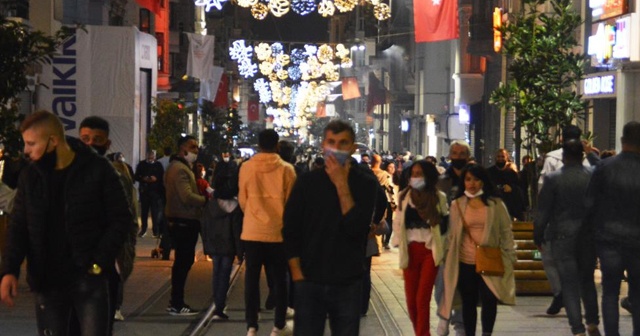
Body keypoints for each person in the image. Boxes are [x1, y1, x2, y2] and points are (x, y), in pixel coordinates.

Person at [0, 110, 132, 335]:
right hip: (48, 280)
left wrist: (98, 262)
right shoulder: (30, 176)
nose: (26, 151)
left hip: (88, 279)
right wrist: (10, 271)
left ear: (52, 141)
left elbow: (121, 218)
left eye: (32, 144)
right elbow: (19, 226)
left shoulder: (98, 169)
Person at [283, 120, 378, 336]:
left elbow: (357, 229)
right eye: (331, 142)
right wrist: (297, 274)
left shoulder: (365, 183)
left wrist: (341, 184)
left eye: (343, 143)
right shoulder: (307, 182)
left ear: (353, 147)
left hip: (348, 280)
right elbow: (290, 229)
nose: (336, 148)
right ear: (323, 145)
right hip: (309, 279)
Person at [439, 164, 517, 336]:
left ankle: (487, 332)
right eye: (468, 180)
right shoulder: (457, 204)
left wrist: (510, 255)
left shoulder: (495, 204)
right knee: (469, 301)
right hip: (465, 261)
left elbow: (506, 231)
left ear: (483, 181)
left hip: (490, 258)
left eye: (476, 179)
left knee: (490, 299)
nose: (472, 183)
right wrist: (446, 256)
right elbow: (452, 234)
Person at [534, 139, 600, 336]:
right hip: (588, 236)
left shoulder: (553, 179)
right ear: (581, 155)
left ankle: (577, 329)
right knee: (587, 281)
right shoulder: (592, 175)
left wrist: (538, 235)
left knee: (569, 284)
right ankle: (592, 323)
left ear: (563, 156)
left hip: (562, 236)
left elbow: (544, 211)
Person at [79, 116, 138, 325]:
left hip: (104, 262)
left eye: (97, 139)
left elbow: (126, 219)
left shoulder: (115, 176)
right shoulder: (67, 174)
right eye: (85, 138)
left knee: (101, 323)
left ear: (107, 143)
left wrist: (116, 257)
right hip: (74, 264)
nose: (90, 144)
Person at [239, 129, 297, 336]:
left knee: (251, 280)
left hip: (253, 231)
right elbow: (292, 204)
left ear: (259, 144)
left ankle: (251, 326)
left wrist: (254, 214)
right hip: (277, 232)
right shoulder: (287, 169)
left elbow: (243, 200)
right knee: (280, 280)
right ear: (277, 146)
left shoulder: (246, 167)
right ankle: (278, 325)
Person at [585, 121, 640, 336]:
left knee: (609, 293)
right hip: (638, 241)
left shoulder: (604, 168)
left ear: (622, 141)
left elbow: (589, 204)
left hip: (609, 240)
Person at [392, 160, 449, 335]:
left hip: (429, 251)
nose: (415, 177)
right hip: (410, 251)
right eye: (413, 174)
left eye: (420, 174)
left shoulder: (438, 197)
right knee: (410, 300)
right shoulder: (403, 196)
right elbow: (398, 222)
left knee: (422, 298)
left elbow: (445, 225)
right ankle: (421, 332)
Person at [164, 135, 207, 315]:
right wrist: (206, 200)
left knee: (184, 261)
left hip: (182, 220)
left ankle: (176, 301)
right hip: (184, 220)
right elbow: (186, 196)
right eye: (193, 147)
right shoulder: (180, 169)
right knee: (183, 261)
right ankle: (177, 302)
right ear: (183, 149)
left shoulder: (180, 167)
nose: (196, 150)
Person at [436, 139, 471, 336]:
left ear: (467, 156)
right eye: (455, 154)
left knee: (464, 284)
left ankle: (461, 324)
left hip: (469, 240)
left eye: (461, 154)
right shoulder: (442, 180)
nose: (458, 157)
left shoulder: (474, 179)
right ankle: (444, 317)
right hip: (446, 239)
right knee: (443, 281)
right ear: (450, 156)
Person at [487, 148, 525, 220]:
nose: (500, 159)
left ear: (507, 158)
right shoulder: (489, 172)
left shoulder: (513, 174)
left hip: (509, 208)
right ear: (495, 158)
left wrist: (512, 188)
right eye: (498, 156)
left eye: (502, 156)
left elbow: (520, 190)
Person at [135, 150, 165, 238]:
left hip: (155, 191)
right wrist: (143, 179)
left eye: (152, 155)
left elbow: (162, 176)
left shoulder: (158, 165)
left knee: (155, 212)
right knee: (144, 211)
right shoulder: (142, 164)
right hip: (144, 191)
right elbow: (136, 176)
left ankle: (155, 231)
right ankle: (143, 229)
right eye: (149, 154)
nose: (151, 156)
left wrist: (156, 179)